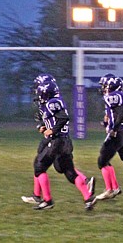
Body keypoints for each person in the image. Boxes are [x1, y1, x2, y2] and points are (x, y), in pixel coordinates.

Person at [30, 80, 96, 210]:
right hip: (65, 141)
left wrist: (52, 130)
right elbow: (57, 119)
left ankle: (47, 200)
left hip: (57, 141)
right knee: (70, 172)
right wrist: (46, 127)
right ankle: (88, 198)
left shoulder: (52, 102)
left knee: (39, 167)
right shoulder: (55, 102)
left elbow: (63, 118)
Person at [21, 73, 59, 205]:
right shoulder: (49, 101)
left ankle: (45, 199)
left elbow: (58, 121)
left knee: (61, 166)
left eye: (38, 87)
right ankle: (37, 195)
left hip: (55, 138)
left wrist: (48, 128)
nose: (37, 91)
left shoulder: (52, 102)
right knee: (40, 163)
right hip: (53, 137)